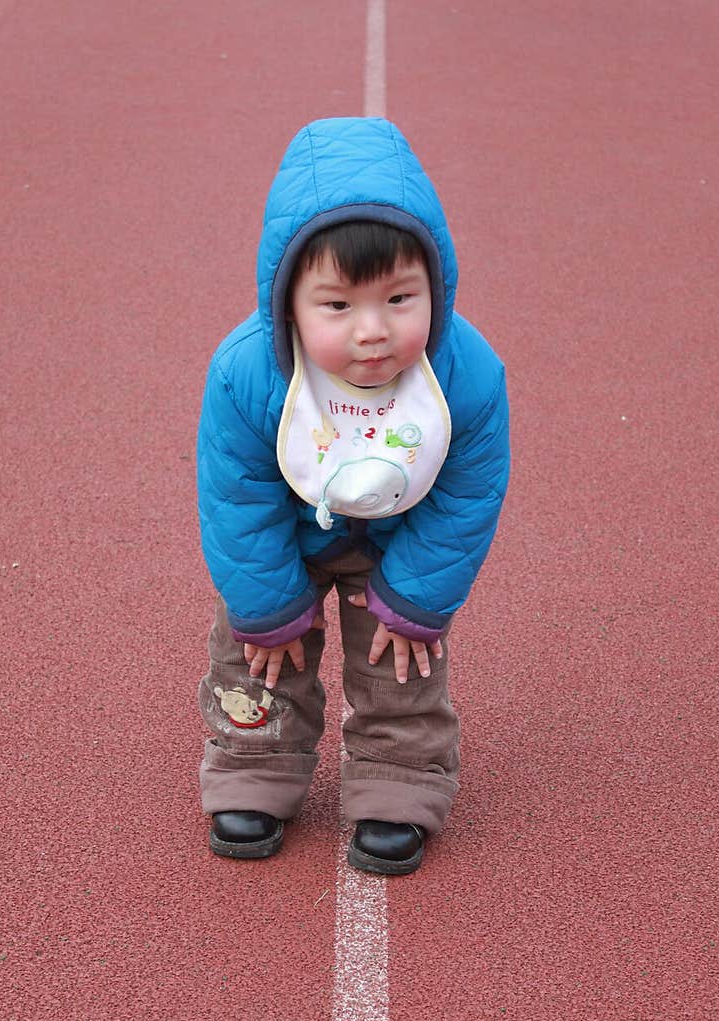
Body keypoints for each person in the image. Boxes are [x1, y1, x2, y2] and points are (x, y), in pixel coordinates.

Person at [196, 117, 510, 875]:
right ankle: (255, 763)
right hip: (289, 539)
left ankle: (400, 777)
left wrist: (418, 595)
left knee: (401, 657)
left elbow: (470, 492)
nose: (374, 332)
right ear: (289, 303)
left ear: (436, 287)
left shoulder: (465, 374)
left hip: (401, 541)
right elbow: (237, 499)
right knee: (260, 655)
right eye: (338, 307)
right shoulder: (250, 373)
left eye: (401, 299)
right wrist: (266, 603)